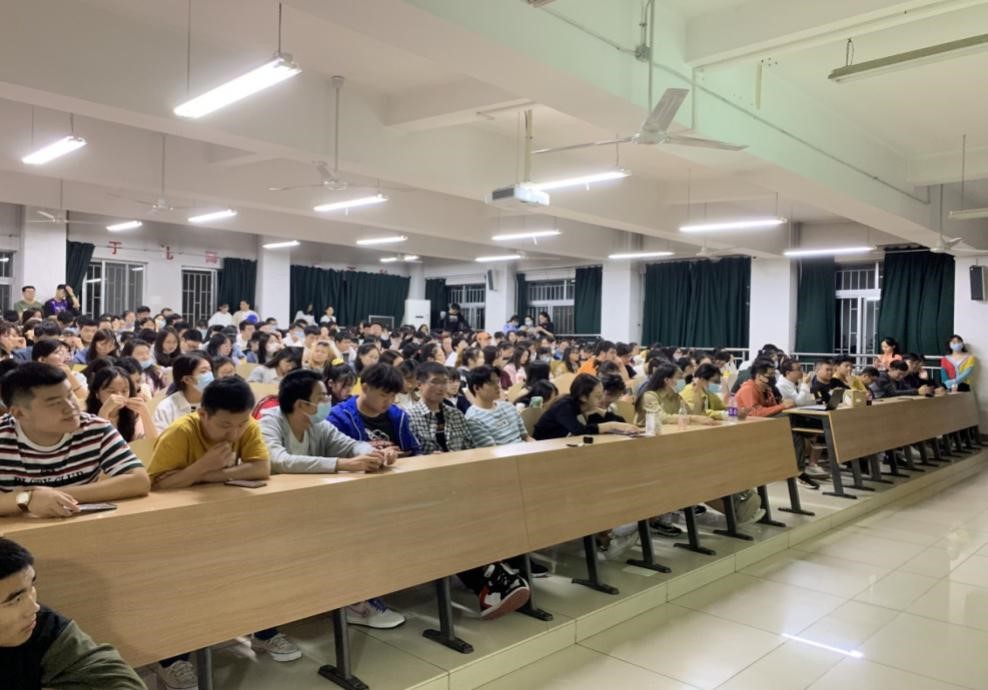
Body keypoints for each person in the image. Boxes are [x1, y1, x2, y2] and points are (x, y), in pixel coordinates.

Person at [147, 377, 298, 683]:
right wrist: (202, 466)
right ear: (203, 414)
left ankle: (264, 631)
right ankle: (172, 659)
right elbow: (157, 485)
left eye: (241, 424)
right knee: (181, 587)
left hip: (226, 520)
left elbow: (261, 468)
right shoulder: (180, 432)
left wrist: (206, 474)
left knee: (262, 563)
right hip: (176, 530)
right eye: (225, 425)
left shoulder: (245, 425)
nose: (235, 433)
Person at [0, 363, 150, 517]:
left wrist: (50, 496)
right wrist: (27, 500)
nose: (71, 407)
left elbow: (139, 481)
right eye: (55, 402)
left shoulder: (95, 428)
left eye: (70, 395)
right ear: (19, 413)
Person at [0, 536, 147, 689]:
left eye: (31, 587)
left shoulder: (41, 625)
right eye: (16, 600)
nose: (34, 607)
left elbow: (117, 679)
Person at [328, 363, 421, 455]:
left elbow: (414, 451)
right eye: (383, 395)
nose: (389, 401)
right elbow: (334, 457)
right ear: (365, 388)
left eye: (393, 395)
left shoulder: (399, 416)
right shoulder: (339, 418)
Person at [534, 373, 639, 440]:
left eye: (602, 394)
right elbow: (579, 431)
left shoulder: (585, 405)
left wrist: (603, 413)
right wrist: (611, 425)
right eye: (597, 396)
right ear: (583, 397)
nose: (601, 398)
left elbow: (620, 422)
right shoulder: (564, 406)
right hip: (543, 446)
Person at [406, 363, 475, 454]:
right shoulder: (409, 417)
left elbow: (470, 448)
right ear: (419, 384)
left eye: (445, 382)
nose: (441, 387)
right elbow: (410, 453)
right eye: (435, 382)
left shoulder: (456, 414)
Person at [634, 363, 718, 427]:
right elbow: (662, 418)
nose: (683, 381)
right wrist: (692, 418)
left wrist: (696, 390)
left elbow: (693, 413)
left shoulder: (676, 396)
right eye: (679, 378)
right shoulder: (649, 396)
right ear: (667, 380)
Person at [86, 366, 156, 442]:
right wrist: (104, 411)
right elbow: (95, 444)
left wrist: (144, 413)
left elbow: (153, 443)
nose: (119, 395)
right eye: (111, 391)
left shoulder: (133, 415)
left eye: (124, 391)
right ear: (97, 393)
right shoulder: (86, 418)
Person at [465, 366, 530, 446]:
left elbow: (526, 437)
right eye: (491, 383)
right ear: (476, 388)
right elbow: (491, 450)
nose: (498, 386)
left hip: (525, 450)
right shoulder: (473, 418)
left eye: (498, 381)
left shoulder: (509, 407)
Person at [152, 352, 211, 433]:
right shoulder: (166, 408)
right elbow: (161, 439)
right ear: (187, 379)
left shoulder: (218, 402)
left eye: (210, 370)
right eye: (203, 371)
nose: (210, 375)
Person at [871, 360, 935, 399]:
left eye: (903, 375)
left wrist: (926, 390)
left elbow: (907, 388)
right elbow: (892, 392)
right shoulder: (881, 376)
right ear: (891, 369)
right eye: (899, 374)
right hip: (872, 402)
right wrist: (917, 391)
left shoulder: (898, 379)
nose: (901, 377)